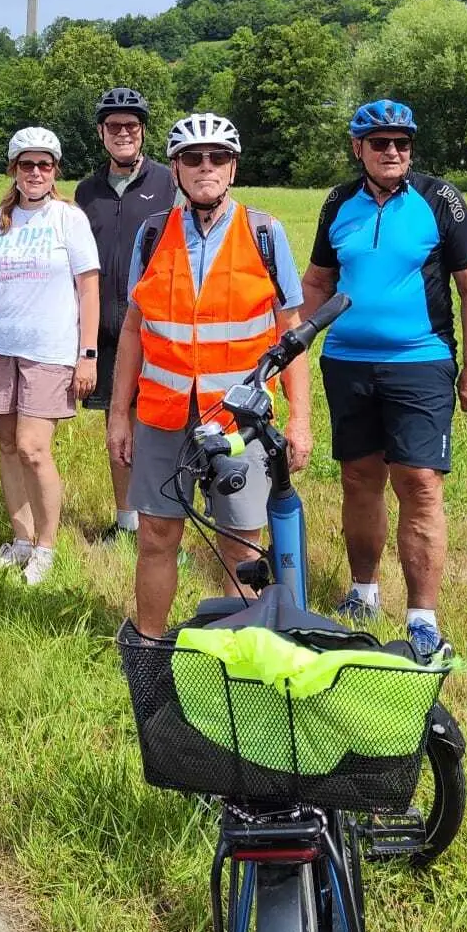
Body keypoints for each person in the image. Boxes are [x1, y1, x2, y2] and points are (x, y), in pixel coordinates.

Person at [298, 99, 467, 662]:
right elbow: (317, 280)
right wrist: (303, 341)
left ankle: (422, 617)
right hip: (348, 362)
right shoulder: (338, 201)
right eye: (380, 142)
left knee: (421, 483)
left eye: (402, 143)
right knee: (359, 478)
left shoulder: (440, 200)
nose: (392, 152)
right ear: (358, 148)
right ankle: (362, 593)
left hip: (421, 361)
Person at [105, 114, 312, 638]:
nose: (206, 167)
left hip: (239, 421)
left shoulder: (264, 233)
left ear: (233, 167)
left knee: (241, 543)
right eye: (193, 158)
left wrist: (302, 421)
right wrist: (117, 416)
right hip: (163, 414)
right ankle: (150, 645)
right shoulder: (154, 234)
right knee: (156, 535)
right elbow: (134, 328)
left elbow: (291, 335)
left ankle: (237, 657)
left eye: (217, 157)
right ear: (175, 168)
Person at [0, 127, 100, 586]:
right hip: (0, 347)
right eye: (26, 164)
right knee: (5, 446)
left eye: (44, 165)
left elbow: (89, 287)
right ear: (13, 170)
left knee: (34, 449)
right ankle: (20, 539)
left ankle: (46, 546)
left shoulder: (67, 219)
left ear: (55, 171)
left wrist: (88, 354)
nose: (35, 173)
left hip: (50, 351)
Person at [74, 86, 176, 543]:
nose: (123, 134)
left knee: (158, 427)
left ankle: (166, 517)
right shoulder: (86, 191)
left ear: (142, 132)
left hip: (157, 324)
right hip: (106, 327)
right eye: (113, 127)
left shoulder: (168, 183)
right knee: (118, 424)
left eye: (131, 127)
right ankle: (126, 521)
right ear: (100, 133)